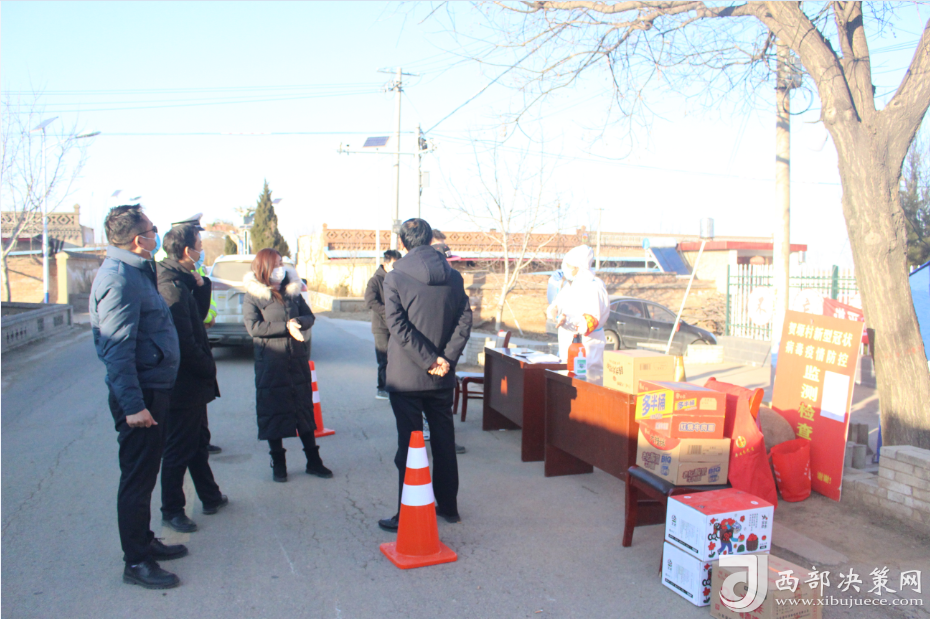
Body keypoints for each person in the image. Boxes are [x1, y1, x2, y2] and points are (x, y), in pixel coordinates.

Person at [90, 204, 186, 589]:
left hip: (152, 387)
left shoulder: (136, 271)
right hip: (140, 395)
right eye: (152, 229)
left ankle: (144, 541)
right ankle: (136, 562)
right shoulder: (118, 279)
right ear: (137, 239)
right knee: (136, 478)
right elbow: (116, 349)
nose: (156, 234)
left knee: (145, 475)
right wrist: (133, 406)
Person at [378, 218, 472, 532]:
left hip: (407, 376)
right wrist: (445, 359)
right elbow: (464, 321)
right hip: (442, 376)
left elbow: (397, 326)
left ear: (402, 243)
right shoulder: (453, 276)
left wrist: (429, 359)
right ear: (431, 239)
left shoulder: (395, 276)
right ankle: (449, 507)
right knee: (444, 441)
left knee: (410, 446)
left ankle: (407, 512)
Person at [156, 224, 228, 534]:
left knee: (197, 442)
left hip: (193, 382)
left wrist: (201, 284)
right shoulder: (169, 286)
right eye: (199, 245)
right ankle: (172, 509)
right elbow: (184, 341)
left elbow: (197, 316)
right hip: (183, 382)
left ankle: (210, 496)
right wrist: (207, 366)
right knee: (178, 449)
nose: (201, 251)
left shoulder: (182, 281)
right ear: (187, 251)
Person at [243, 248, 332, 482]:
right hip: (271, 364)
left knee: (303, 410)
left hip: (297, 361)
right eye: (276, 264)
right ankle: (278, 464)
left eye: (281, 264)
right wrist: (286, 327)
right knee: (274, 412)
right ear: (264, 267)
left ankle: (314, 461)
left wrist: (298, 322)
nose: (280, 269)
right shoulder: (254, 295)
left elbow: (309, 316)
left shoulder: (292, 291)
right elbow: (254, 327)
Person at [546, 245, 610, 375]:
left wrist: (567, 320)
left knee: (584, 382)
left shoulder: (594, 288)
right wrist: (554, 310)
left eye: (568, 265)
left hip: (587, 352)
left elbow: (590, 321)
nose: (565, 268)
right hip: (568, 350)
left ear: (578, 267)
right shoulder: (570, 286)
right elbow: (556, 303)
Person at [364, 249, 403, 400]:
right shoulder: (375, 280)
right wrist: (388, 312)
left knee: (396, 358)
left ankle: (395, 387)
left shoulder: (399, 279)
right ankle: (382, 388)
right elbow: (370, 301)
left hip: (397, 325)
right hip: (381, 327)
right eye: (394, 264)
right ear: (386, 264)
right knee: (384, 359)